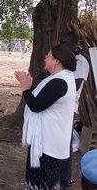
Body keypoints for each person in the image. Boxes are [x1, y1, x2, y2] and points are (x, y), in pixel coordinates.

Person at [15, 45, 77, 190]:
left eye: (48, 56)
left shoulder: (60, 82)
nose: (45, 57)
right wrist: (28, 87)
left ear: (57, 61)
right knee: (42, 181)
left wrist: (25, 88)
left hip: (48, 142)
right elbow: (43, 100)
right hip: (47, 138)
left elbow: (36, 106)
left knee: (44, 182)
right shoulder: (58, 79)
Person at [59, 31, 90, 189]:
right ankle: (61, 175)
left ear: (72, 44)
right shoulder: (68, 60)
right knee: (60, 142)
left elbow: (75, 86)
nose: (62, 46)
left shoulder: (80, 61)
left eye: (64, 43)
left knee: (65, 144)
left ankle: (65, 180)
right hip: (60, 106)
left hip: (68, 108)